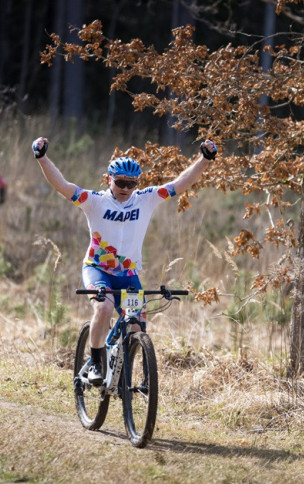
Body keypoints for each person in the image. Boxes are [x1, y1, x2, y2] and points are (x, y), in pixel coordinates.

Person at [31, 136, 218, 384]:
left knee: (137, 325)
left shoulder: (146, 199)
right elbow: (63, 186)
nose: (125, 188)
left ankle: (130, 375)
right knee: (104, 307)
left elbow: (180, 184)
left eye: (131, 183)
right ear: (110, 179)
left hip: (128, 275)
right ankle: (96, 363)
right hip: (97, 270)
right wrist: (42, 158)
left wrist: (205, 160)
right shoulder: (94, 201)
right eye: (120, 182)